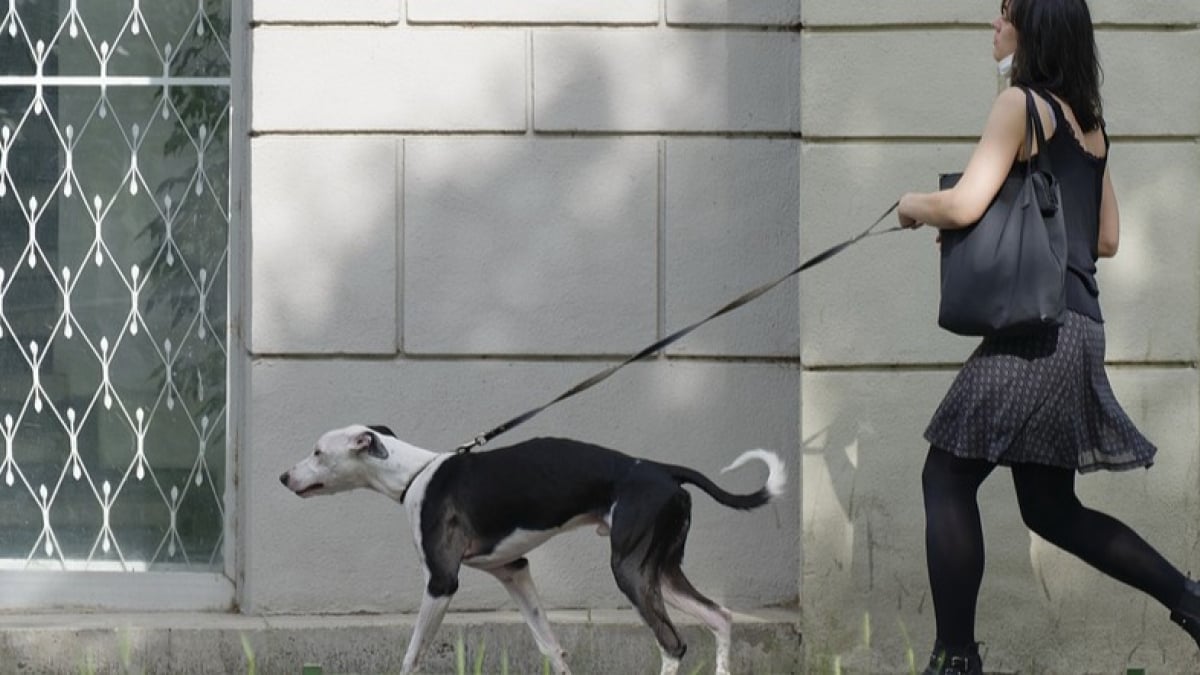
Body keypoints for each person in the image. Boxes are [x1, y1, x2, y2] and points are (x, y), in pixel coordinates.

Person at [896, 1, 1200, 673]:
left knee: (945, 474)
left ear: (1032, 29)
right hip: (1080, 328)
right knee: (1050, 508)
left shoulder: (1022, 107)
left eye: (1004, 14)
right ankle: (1193, 601)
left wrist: (912, 205)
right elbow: (1107, 239)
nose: (993, 25)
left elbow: (964, 205)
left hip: (1037, 331)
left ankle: (953, 659)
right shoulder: (1089, 125)